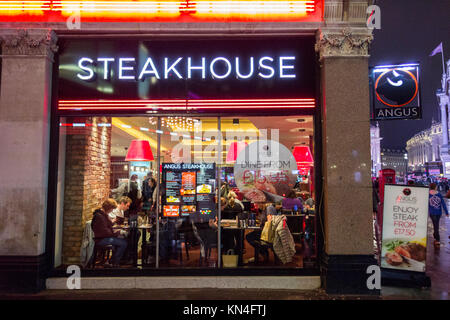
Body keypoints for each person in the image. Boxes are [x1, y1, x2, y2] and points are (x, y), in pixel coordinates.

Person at [91, 199, 128, 267]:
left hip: (103, 237)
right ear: (109, 208)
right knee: (123, 243)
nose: (112, 210)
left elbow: (108, 226)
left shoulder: (103, 214)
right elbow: (105, 232)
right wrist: (117, 232)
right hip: (100, 239)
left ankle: (112, 261)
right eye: (112, 209)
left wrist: (113, 225)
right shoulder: (100, 217)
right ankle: (115, 263)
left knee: (122, 240)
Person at [428, 182, 449, 247]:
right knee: (436, 225)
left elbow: (427, 204)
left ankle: (437, 240)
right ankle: (436, 237)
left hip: (432, 213)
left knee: (435, 226)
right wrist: (446, 212)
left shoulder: (428, 195)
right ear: (435, 187)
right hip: (438, 213)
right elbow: (443, 204)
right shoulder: (439, 194)